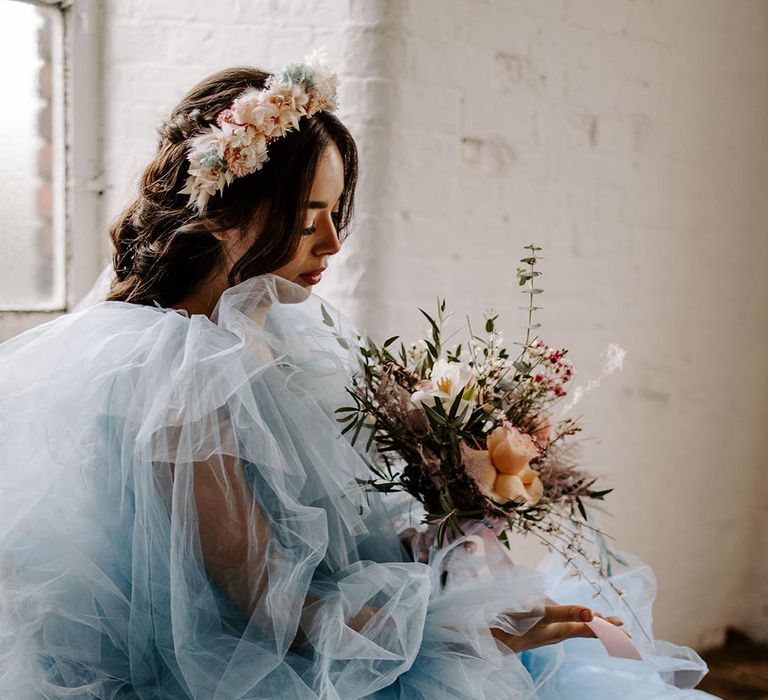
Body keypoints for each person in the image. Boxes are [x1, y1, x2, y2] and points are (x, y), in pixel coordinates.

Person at [0, 54, 718, 699]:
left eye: (336, 211)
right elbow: (274, 609)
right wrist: (468, 628)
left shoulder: (282, 330)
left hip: (361, 637)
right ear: (225, 214)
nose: (334, 243)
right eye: (308, 215)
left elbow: (344, 522)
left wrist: (450, 534)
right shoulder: (174, 378)